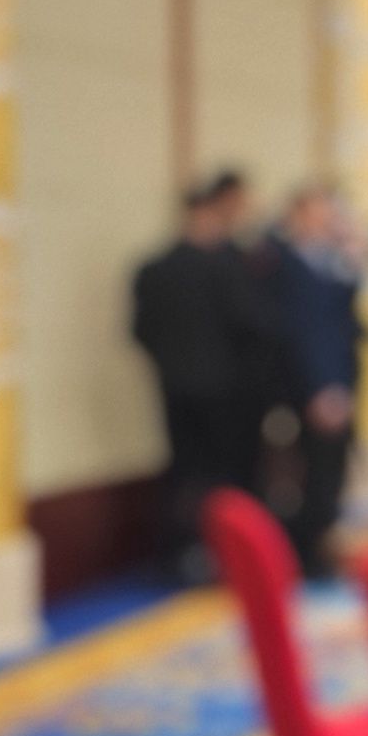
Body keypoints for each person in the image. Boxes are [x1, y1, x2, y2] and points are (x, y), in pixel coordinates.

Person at [130, 171, 269, 580]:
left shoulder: (153, 268)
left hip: (174, 385)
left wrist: (171, 365)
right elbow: (251, 326)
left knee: (182, 470)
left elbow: (140, 331)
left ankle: (178, 555)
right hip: (226, 390)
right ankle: (224, 553)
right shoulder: (227, 268)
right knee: (226, 474)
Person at [260, 183, 363, 580]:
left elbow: (342, 325)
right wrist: (322, 387)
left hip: (340, 380)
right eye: (320, 213)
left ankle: (323, 545)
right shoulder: (283, 264)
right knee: (311, 474)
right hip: (311, 387)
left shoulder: (332, 262)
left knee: (333, 472)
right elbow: (303, 333)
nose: (328, 221)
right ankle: (308, 554)